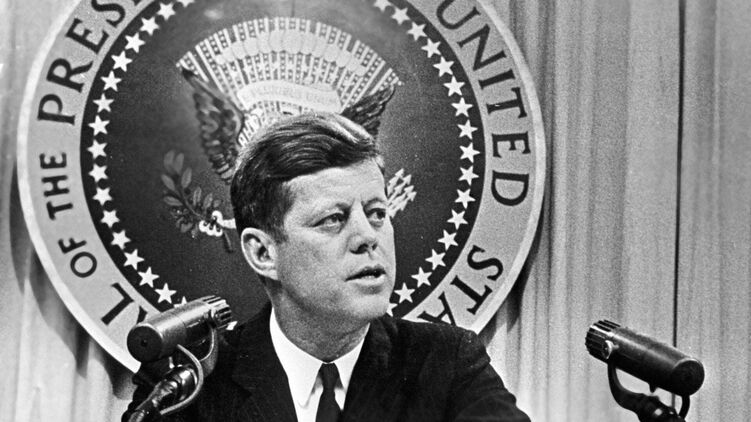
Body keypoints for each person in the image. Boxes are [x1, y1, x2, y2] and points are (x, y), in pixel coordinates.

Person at [123, 112, 530, 422]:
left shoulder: (445, 363)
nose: (367, 236)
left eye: (377, 213)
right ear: (263, 253)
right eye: (333, 219)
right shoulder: (193, 385)